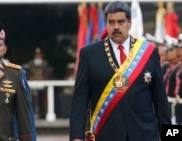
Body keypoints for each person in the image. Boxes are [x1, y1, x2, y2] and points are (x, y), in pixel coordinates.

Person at [70, 1, 171, 141]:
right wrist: (77, 137)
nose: (116, 27)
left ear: (130, 23)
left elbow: (161, 101)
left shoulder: (149, 52)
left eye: (121, 22)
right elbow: (79, 101)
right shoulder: (89, 54)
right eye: (111, 22)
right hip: (107, 134)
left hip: (145, 134)